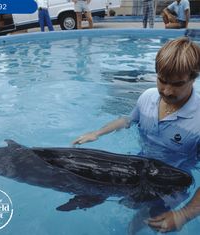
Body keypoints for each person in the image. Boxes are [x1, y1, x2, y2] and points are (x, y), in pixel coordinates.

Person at [73, 37, 200, 168]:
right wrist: (97, 133)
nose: (167, 91)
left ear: (193, 79)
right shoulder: (147, 97)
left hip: (173, 181)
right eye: (162, 81)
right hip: (139, 165)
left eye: (177, 84)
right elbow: (127, 121)